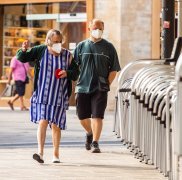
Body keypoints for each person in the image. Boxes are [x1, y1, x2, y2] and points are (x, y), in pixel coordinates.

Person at [16, 29, 79, 163]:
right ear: (48, 41)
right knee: (43, 121)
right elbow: (23, 58)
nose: (58, 44)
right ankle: (40, 153)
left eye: (60, 41)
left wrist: (67, 73)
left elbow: (76, 72)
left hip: (59, 96)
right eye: (55, 41)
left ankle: (56, 154)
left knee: (56, 125)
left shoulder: (67, 55)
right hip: (43, 95)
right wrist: (23, 50)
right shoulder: (40, 50)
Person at [73, 19, 121, 153]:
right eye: (95, 28)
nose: (97, 31)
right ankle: (89, 132)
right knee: (82, 116)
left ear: (103, 30)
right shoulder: (81, 46)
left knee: (97, 115)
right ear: (89, 29)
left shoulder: (109, 47)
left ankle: (95, 142)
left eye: (100, 28)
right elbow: (73, 66)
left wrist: (107, 84)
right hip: (82, 86)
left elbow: (114, 69)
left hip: (100, 88)